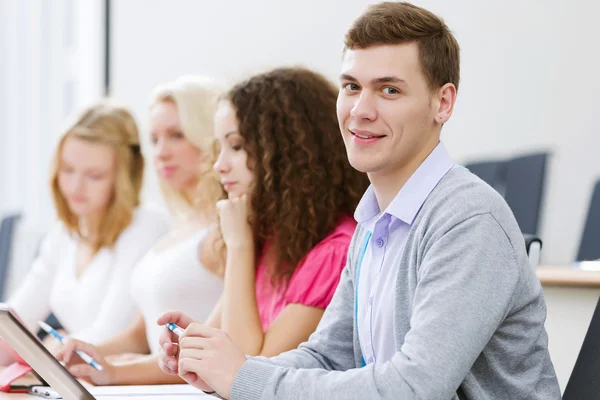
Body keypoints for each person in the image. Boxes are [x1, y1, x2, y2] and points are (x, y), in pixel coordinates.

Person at [156, 2, 561, 399]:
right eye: (351, 87)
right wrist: (219, 368)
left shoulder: (468, 220)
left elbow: (416, 388)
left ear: (443, 103)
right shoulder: (372, 221)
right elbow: (329, 356)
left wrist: (242, 377)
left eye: (389, 90)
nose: (360, 111)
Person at [159, 65, 368, 370]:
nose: (219, 166)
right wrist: (113, 370)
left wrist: (239, 245)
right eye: (219, 148)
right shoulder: (271, 241)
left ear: (288, 153)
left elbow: (249, 371)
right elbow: (221, 346)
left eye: (237, 146)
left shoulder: (335, 251)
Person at [57, 76, 225, 385]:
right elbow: (139, 333)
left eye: (177, 135)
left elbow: (222, 349)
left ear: (209, 136)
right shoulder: (181, 226)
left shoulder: (227, 229)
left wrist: (117, 372)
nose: (161, 152)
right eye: (155, 139)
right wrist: (88, 351)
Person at [3, 101, 168, 359]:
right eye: (67, 170)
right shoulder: (64, 234)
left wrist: (50, 346)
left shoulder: (146, 226)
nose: (75, 187)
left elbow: (108, 333)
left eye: (94, 175)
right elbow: (13, 323)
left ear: (123, 177)